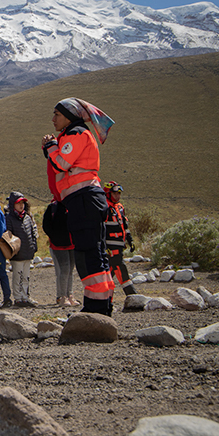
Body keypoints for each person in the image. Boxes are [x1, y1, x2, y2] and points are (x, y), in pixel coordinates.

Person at [42, 97, 116, 316]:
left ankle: (97, 308)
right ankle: (100, 305)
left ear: (70, 117)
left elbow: (62, 163)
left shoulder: (76, 134)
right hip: (83, 201)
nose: (53, 119)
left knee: (88, 254)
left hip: (84, 200)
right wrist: (53, 148)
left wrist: (51, 147)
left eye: (57, 114)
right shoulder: (73, 135)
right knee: (93, 253)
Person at [5, 192, 40, 307]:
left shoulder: (27, 217)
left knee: (26, 276)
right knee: (18, 276)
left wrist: (33, 247)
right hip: (17, 253)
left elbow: (32, 234)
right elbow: (8, 236)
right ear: (12, 205)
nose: (21, 206)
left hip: (28, 252)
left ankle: (25, 297)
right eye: (18, 203)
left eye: (22, 203)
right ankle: (18, 298)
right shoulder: (9, 218)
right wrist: (13, 250)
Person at [103, 181, 137, 295]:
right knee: (121, 268)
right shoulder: (104, 207)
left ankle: (105, 296)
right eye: (115, 193)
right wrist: (104, 246)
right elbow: (100, 228)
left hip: (119, 244)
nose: (117, 196)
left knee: (108, 273)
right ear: (108, 194)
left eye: (119, 193)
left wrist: (130, 240)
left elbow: (124, 226)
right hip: (111, 246)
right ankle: (132, 294)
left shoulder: (120, 207)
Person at [43, 200, 79, 306]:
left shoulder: (73, 205)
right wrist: (55, 238)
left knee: (70, 271)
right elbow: (46, 225)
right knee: (64, 270)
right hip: (59, 245)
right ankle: (63, 297)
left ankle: (70, 295)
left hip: (72, 243)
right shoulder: (53, 207)